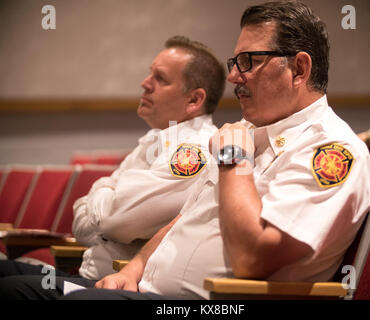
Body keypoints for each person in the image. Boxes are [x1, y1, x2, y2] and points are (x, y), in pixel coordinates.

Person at [8, 1, 370, 300]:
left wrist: (235, 160)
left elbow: (253, 258)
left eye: (248, 61)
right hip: (142, 289)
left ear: (299, 68)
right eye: (236, 63)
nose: (234, 76)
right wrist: (136, 268)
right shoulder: (247, 132)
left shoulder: (331, 150)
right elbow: (183, 219)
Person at [0, 35, 226, 299]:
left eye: (160, 79)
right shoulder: (153, 140)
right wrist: (108, 195)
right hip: (92, 277)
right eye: (149, 74)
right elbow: (81, 226)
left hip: (121, 287)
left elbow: (114, 222)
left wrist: (105, 191)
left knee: (10, 289)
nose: (145, 83)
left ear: (194, 100)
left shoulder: (194, 151)